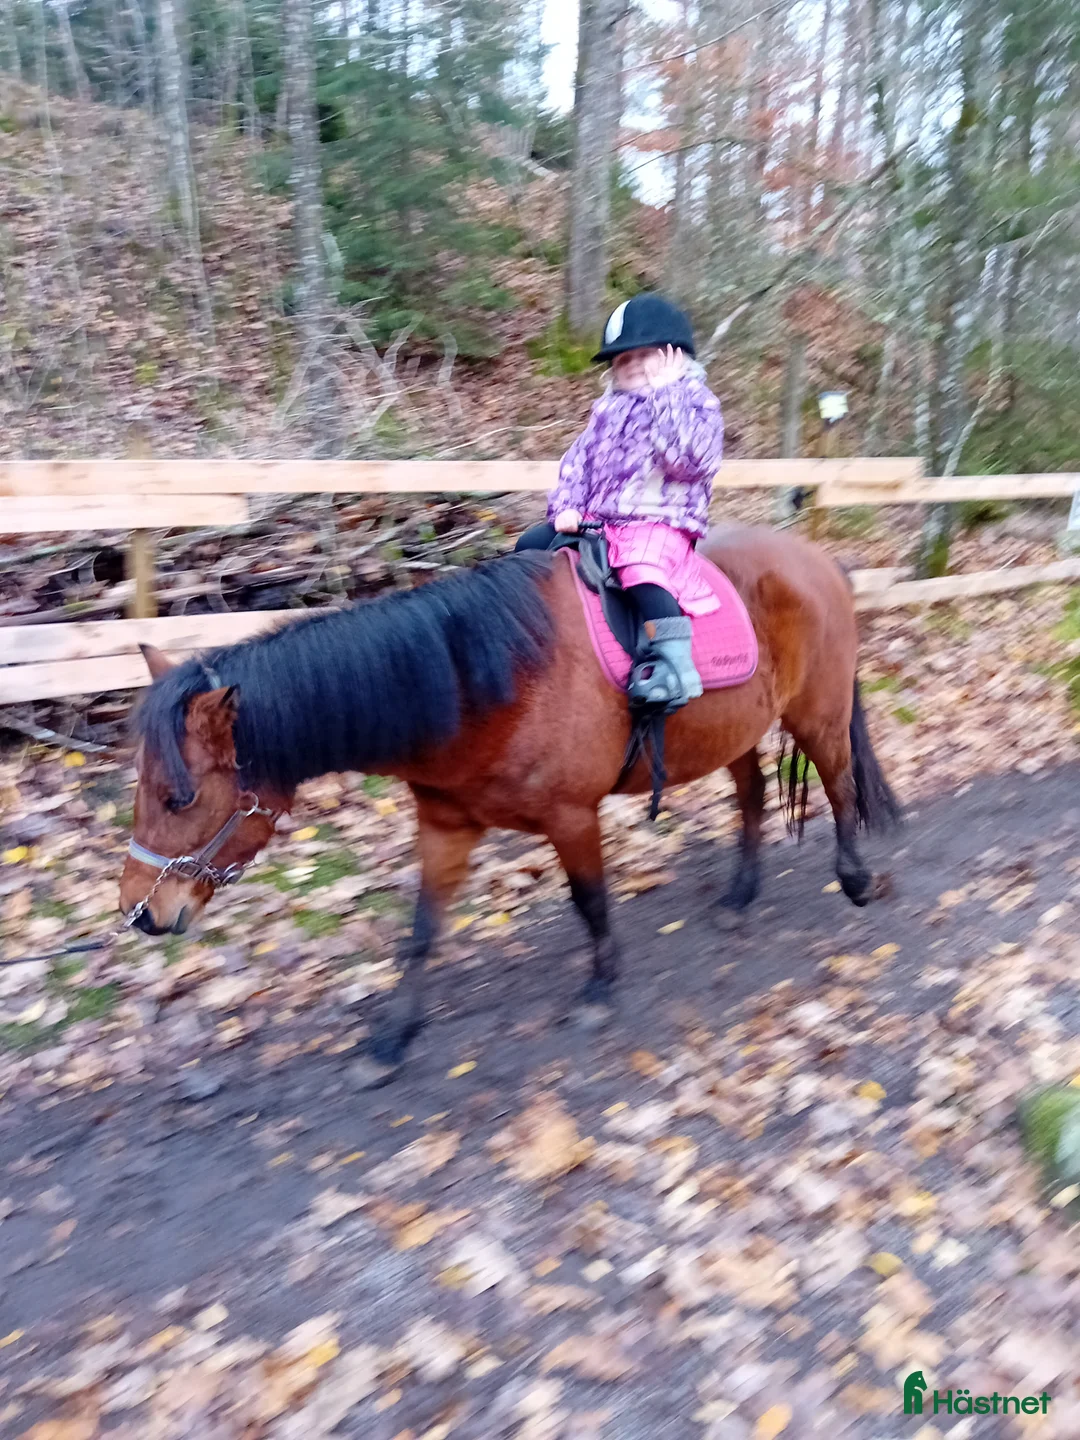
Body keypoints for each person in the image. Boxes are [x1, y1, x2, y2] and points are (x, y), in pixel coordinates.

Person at [515, 292, 724, 710]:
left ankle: (673, 663)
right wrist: (567, 506)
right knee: (530, 546)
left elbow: (687, 461)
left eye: (644, 355)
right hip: (603, 520)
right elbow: (578, 463)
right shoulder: (608, 411)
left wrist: (666, 394)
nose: (630, 365)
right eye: (622, 359)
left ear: (676, 357)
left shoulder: (696, 402)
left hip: (659, 521)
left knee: (640, 569)